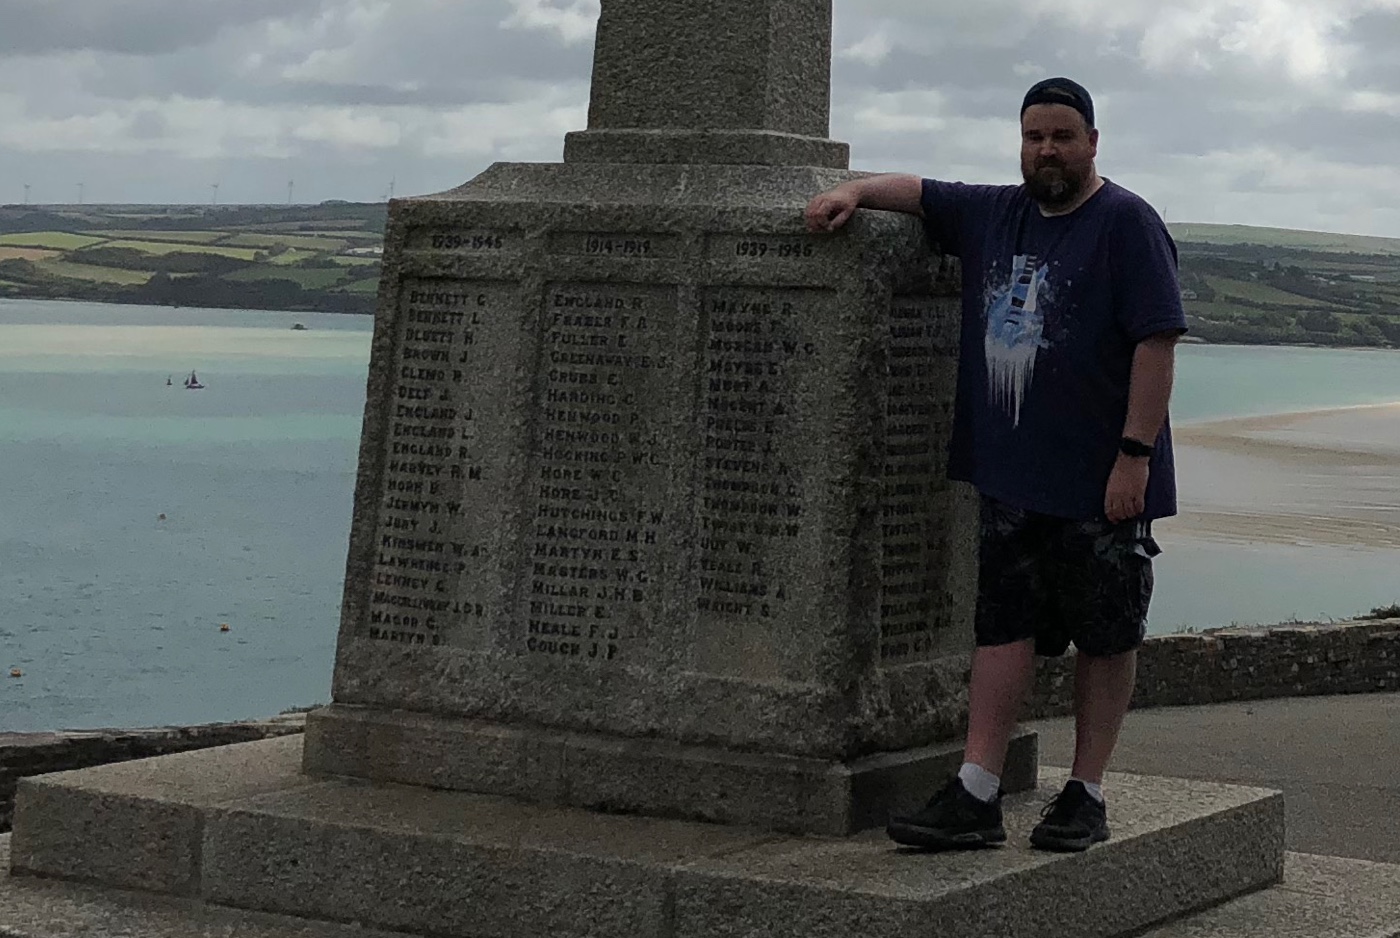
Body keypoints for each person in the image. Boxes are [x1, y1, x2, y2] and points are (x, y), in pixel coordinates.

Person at [805, 78, 1187, 852]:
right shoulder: (995, 211)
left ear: (1092, 143)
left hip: (1100, 477)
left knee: (1106, 635)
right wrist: (850, 190)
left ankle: (1085, 792)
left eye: (1062, 136)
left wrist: (1134, 459)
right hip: (1010, 474)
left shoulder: (1126, 223)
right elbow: (916, 191)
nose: (1047, 150)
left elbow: (1156, 342)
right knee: (1001, 627)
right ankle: (977, 789)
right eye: (1034, 136)